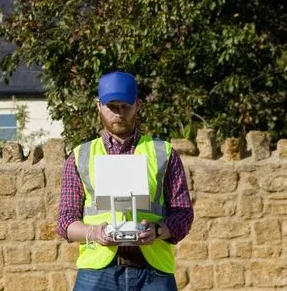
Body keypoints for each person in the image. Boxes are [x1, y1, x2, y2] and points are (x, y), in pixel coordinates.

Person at [56, 71, 194, 290]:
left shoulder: (164, 153)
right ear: (98, 105)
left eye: (125, 106)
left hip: (154, 273)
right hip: (97, 273)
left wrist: (158, 231)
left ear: (138, 104)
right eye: (112, 106)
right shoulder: (80, 156)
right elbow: (65, 221)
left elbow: (183, 215)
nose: (119, 114)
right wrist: (93, 233)